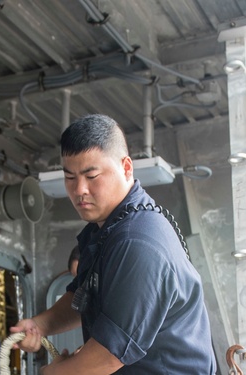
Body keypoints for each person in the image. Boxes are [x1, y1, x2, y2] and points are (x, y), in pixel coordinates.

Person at [11, 114, 217, 374]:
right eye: (70, 177)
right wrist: (40, 325)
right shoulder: (104, 228)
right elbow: (82, 296)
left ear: (127, 168)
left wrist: (53, 373)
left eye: (92, 175)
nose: (79, 190)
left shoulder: (137, 241)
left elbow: (109, 355)